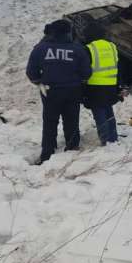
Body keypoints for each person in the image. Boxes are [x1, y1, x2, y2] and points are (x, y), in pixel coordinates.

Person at [26, 19, 91, 163]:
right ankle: (72, 148)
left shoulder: (40, 48)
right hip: (73, 91)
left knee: (49, 121)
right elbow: (87, 72)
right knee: (72, 121)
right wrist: (78, 81)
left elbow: (31, 71)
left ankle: (47, 152)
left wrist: (39, 81)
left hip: (50, 91)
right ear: (69, 32)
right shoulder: (77, 49)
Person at [82, 22, 121, 146]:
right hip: (111, 84)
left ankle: (105, 140)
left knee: (99, 114)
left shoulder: (89, 48)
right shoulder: (112, 46)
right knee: (108, 111)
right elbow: (118, 65)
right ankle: (113, 138)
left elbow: (85, 70)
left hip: (95, 85)